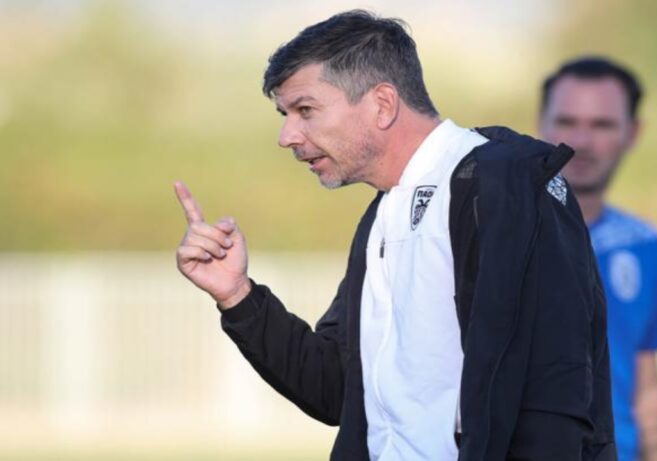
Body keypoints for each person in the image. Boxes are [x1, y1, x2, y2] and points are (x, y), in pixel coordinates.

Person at [175, 11, 615, 460]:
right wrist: (238, 296)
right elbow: (336, 390)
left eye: (305, 110)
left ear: (383, 104)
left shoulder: (509, 186)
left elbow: (555, 396)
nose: (287, 136)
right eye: (285, 114)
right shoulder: (383, 213)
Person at [538, 57, 657, 461]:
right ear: (541, 124)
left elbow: (645, 384)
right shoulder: (496, 233)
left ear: (632, 133)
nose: (582, 140)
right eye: (566, 121)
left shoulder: (643, 242)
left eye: (602, 125)